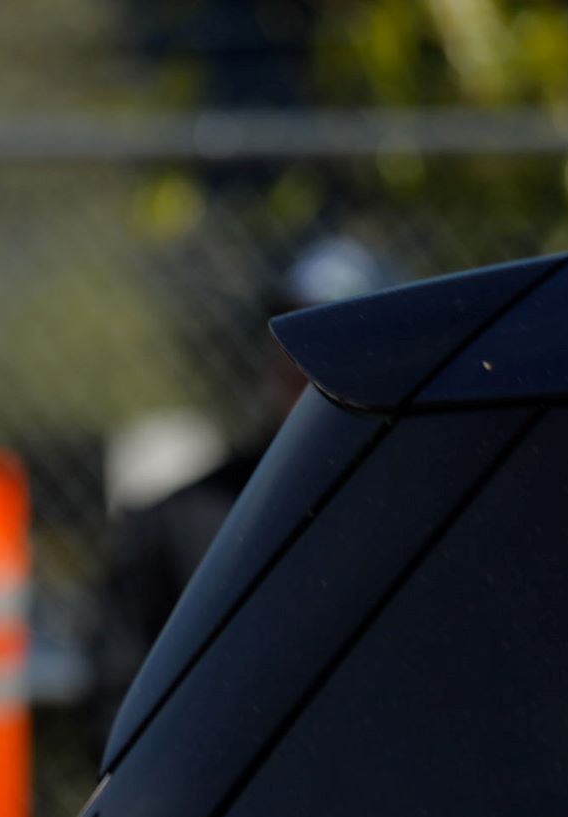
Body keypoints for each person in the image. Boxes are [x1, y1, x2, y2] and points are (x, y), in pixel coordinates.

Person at [85, 234, 391, 753]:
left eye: (344, 334)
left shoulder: (427, 503)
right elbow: (118, 700)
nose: (310, 364)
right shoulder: (182, 521)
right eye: (295, 336)